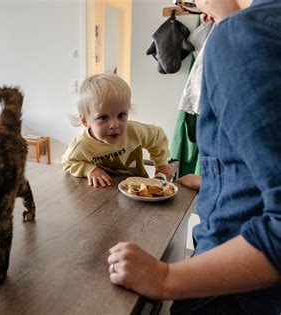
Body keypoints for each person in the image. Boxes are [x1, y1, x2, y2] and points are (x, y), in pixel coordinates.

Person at [107, 0, 281, 313]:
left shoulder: (241, 38)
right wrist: (217, 179)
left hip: (237, 294)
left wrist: (165, 278)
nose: (198, 9)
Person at [61, 73, 174, 188]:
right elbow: (67, 163)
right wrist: (90, 169)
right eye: (104, 118)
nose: (114, 125)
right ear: (86, 121)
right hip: (103, 191)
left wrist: (161, 164)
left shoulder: (133, 130)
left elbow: (157, 136)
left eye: (121, 115)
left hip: (139, 189)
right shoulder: (82, 145)